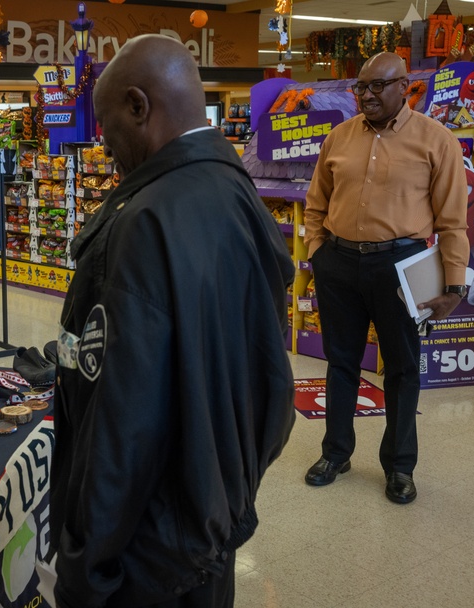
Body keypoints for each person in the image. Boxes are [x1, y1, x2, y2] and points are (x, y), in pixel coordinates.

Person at [52, 34, 295, 608]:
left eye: (108, 130)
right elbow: (270, 379)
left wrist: (87, 564)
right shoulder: (238, 195)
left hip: (147, 553)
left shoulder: (141, 224)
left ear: (139, 106)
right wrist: (224, 493)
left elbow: (122, 423)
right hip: (210, 523)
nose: (105, 150)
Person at [303, 52, 469, 504]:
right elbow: (316, 203)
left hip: (402, 267)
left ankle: (399, 466)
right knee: (340, 363)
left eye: (378, 86)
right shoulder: (338, 137)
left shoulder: (436, 140)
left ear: (404, 87)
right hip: (338, 262)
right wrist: (318, 253)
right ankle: (335, 453)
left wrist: (454, 284)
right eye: (361, 87)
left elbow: (453, 221)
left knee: (400, 368)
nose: (367, 95)